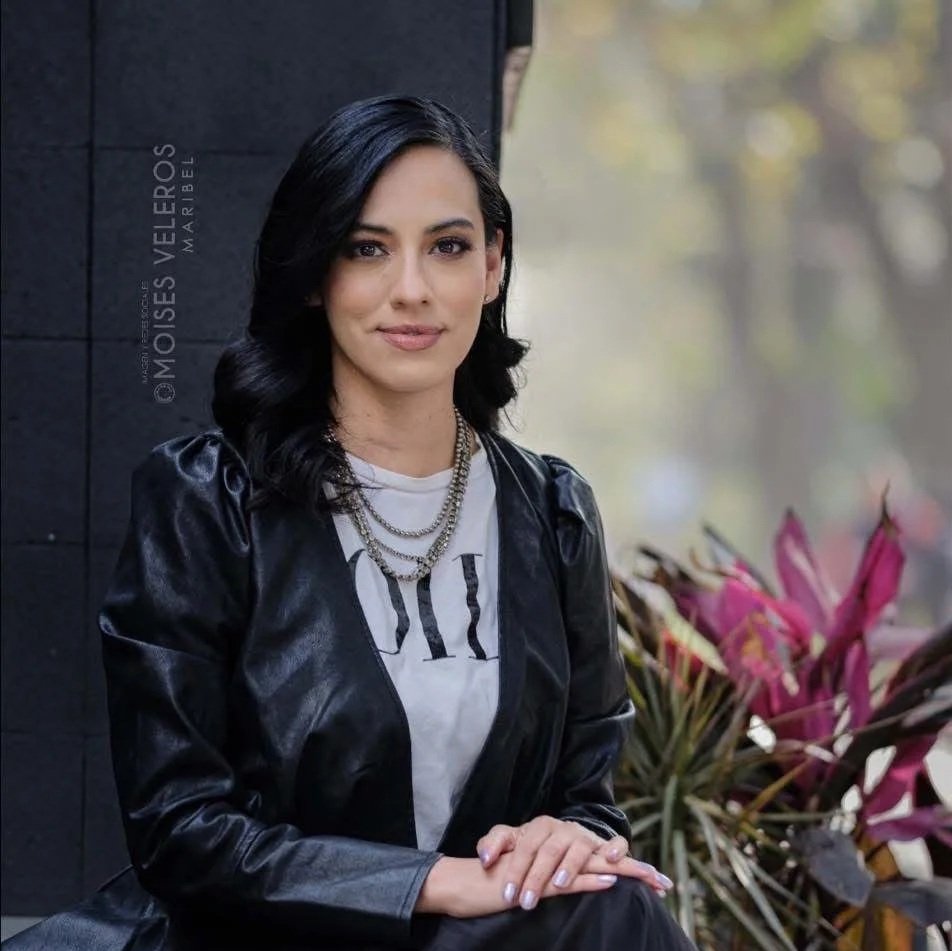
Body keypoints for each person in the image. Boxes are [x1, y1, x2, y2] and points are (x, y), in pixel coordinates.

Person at [3, 94, 697, 950]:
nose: (411, 290)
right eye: (367, 249)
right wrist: (436, 884)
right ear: (316, 275)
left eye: (447, 247)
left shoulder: (553, 515)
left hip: (468, 943)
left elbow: (586, 793)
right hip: (249, 939)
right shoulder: (207, 500)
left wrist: (567, 839)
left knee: (617, 912)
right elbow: (179, 830)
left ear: (492, 266)